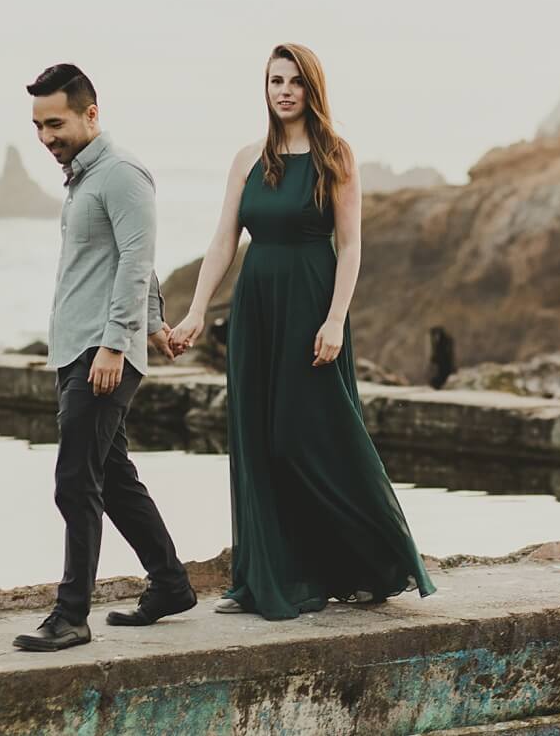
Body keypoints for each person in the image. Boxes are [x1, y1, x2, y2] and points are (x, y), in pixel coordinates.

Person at [169, 43, 436, 619]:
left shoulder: (336, 155)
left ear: (312, 89)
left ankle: (373, 560)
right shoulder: (247, 158)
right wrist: (195, 311)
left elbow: (352, 243)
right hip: (256, 307)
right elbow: (223, 241)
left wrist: (336, 318)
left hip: (312, 306)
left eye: (293, 81)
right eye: (274, 81)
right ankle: (263, 578)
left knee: (311, 435)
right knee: (256, 439)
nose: (283, 90)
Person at [13, 63, 196, 652]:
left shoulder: (122, 175)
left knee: (74, 479)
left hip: (101, 352)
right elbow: (119, 263)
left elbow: (139, 259)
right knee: (112, 477)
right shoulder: (81, 179)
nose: (46, 138)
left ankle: (71, 616)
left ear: (92, 113)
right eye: (39, 126)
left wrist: (119, 341)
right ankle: (170, 584)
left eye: (56, 123)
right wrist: (155, 324)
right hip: (77, 348)